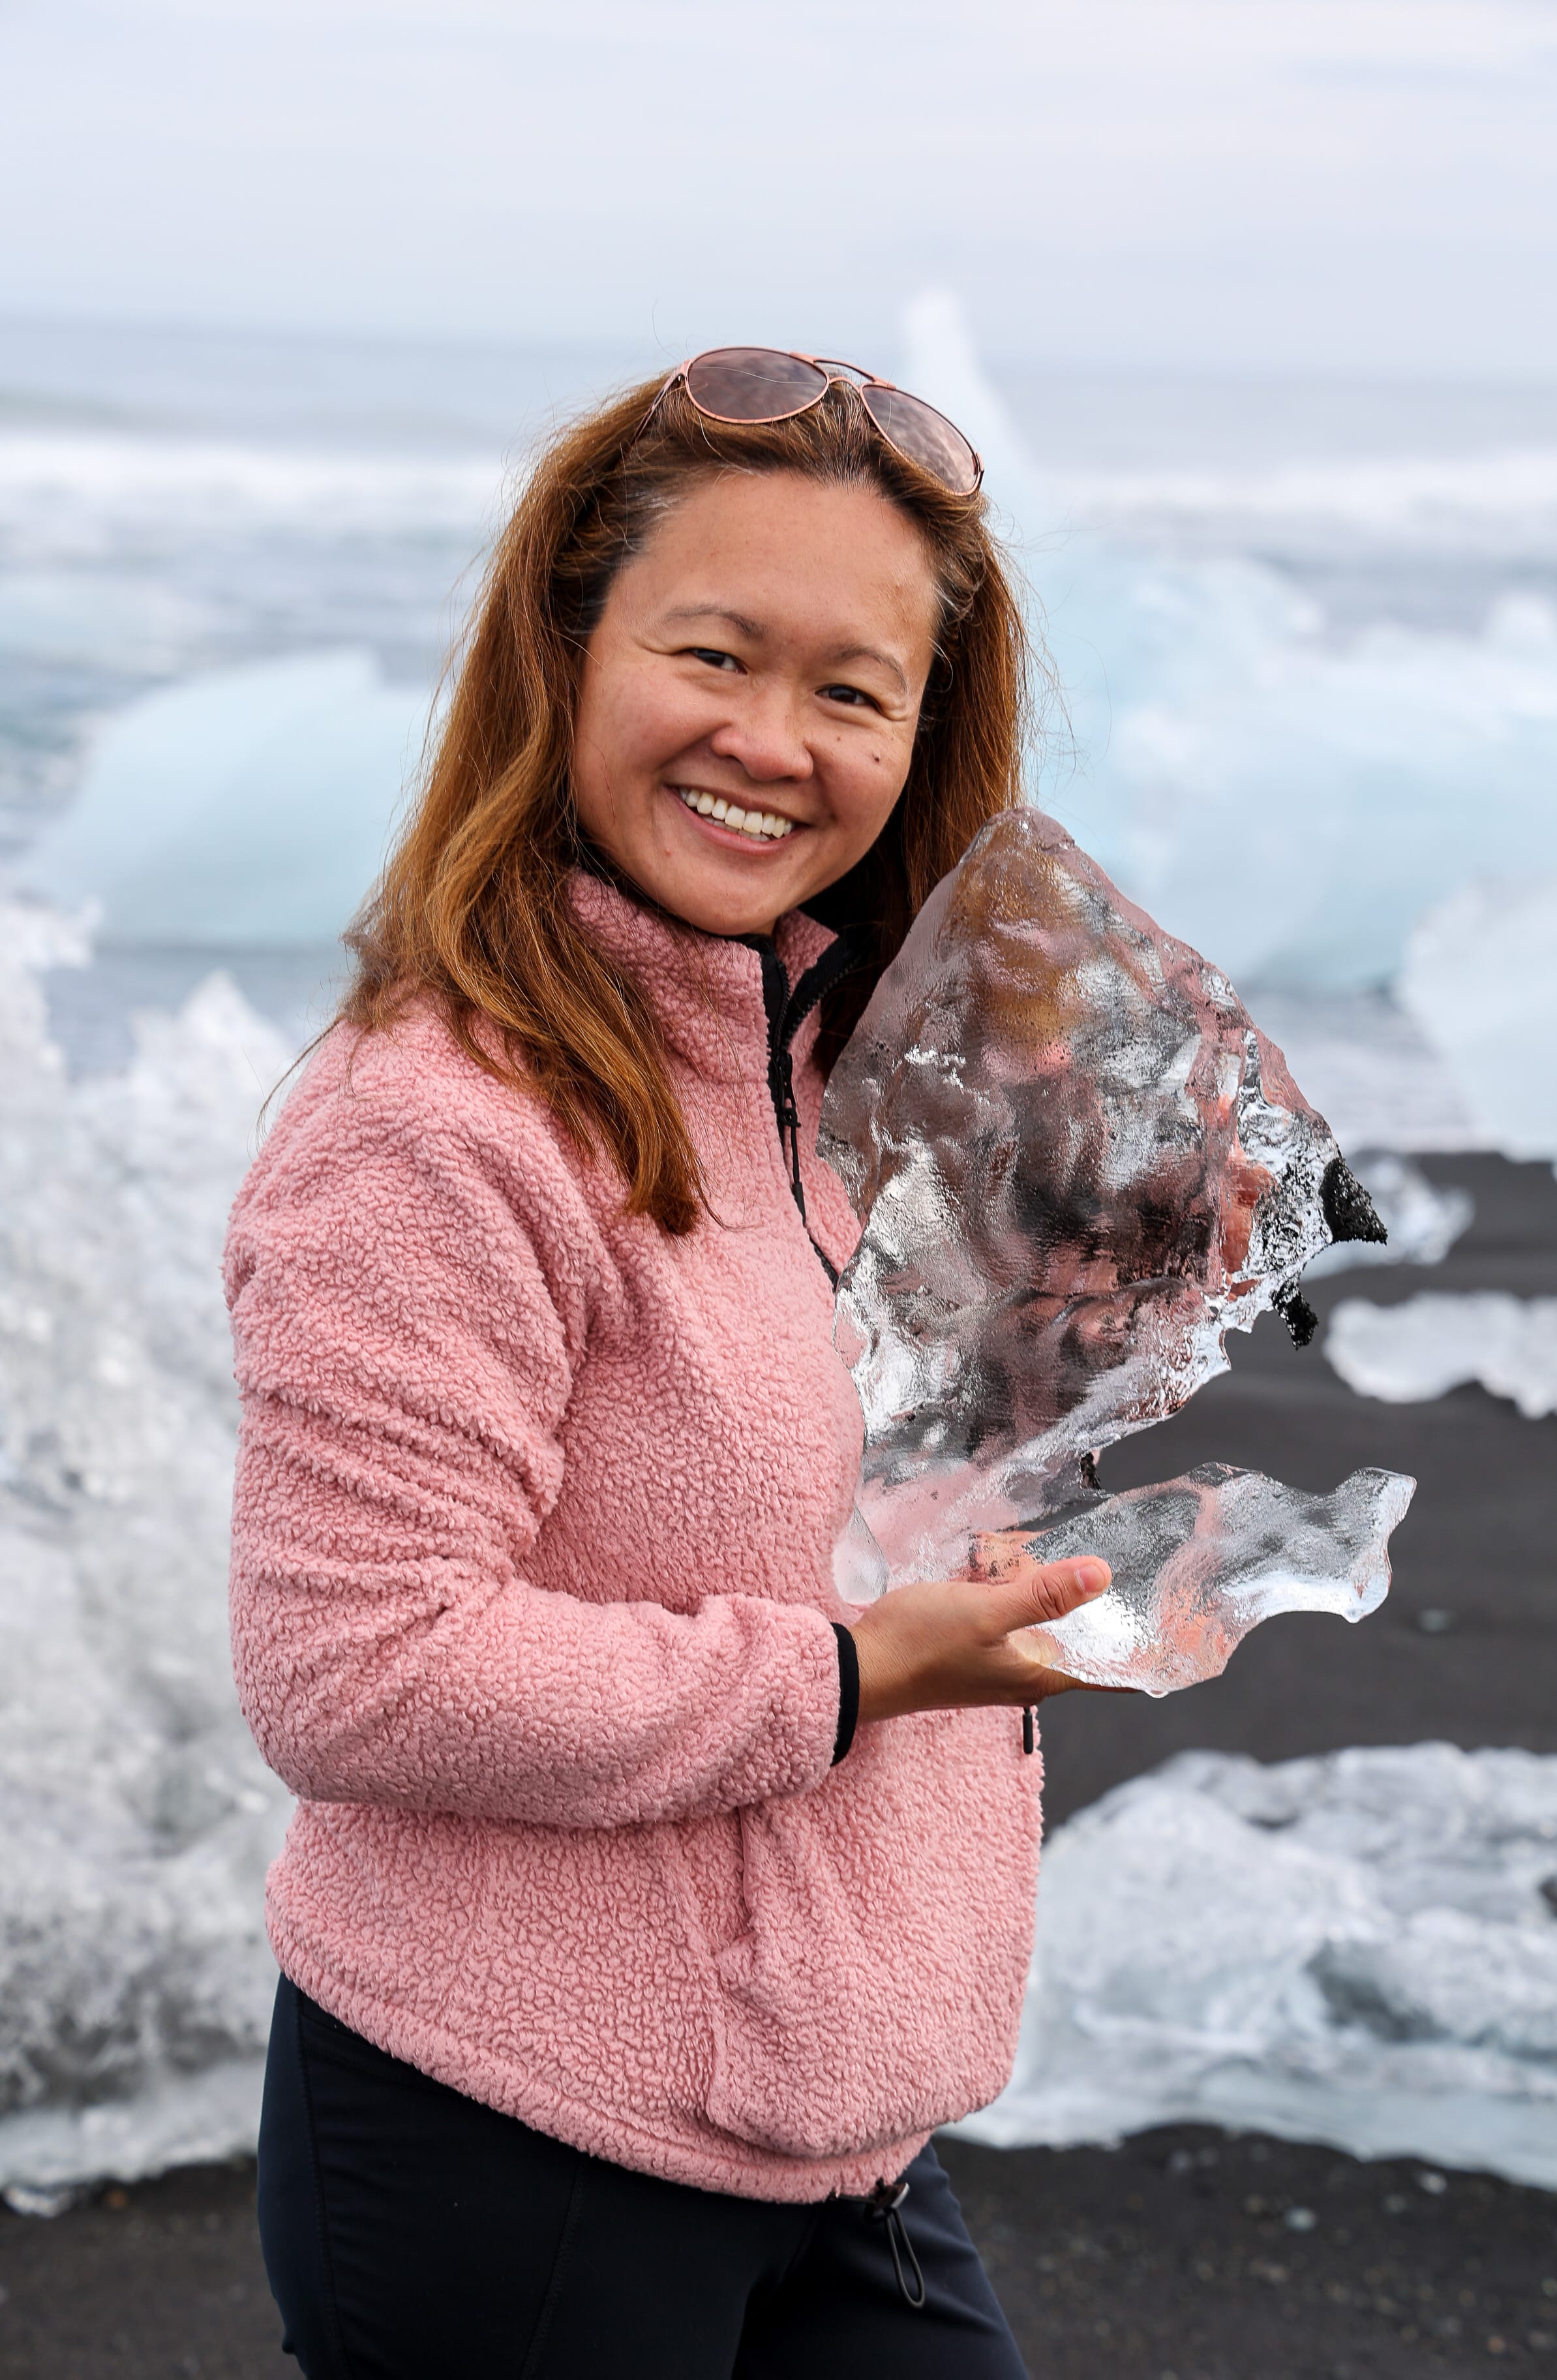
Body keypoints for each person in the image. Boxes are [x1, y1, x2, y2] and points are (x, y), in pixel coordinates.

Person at [228, 348, 1113, 2379]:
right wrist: (863, 1673)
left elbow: (824, 1489)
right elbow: (354, 1670)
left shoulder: (846, 1083)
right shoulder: (431, 1127)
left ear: (922, 736)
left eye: (851, 692)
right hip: (504, 2135)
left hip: (830, 2124)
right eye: (713, 653)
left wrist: (1039, 1481)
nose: (771, 743)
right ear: (567, 655)